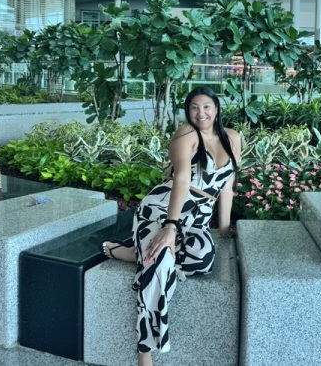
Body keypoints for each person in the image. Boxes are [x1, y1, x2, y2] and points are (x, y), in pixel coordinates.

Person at [101, 86, 241, 366]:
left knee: (203, 260)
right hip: (164, 208)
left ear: (216, 108)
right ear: (188, 111)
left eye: (206, 106)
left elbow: (227, 188)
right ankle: (144, 350)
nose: (200, 113)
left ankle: (134, 253)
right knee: (160, 262)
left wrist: (225, 229)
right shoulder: (186, 135)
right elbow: (182, 180)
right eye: (194, 107)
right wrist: (170, 226)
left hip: (198, 217)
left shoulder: (232, 138)